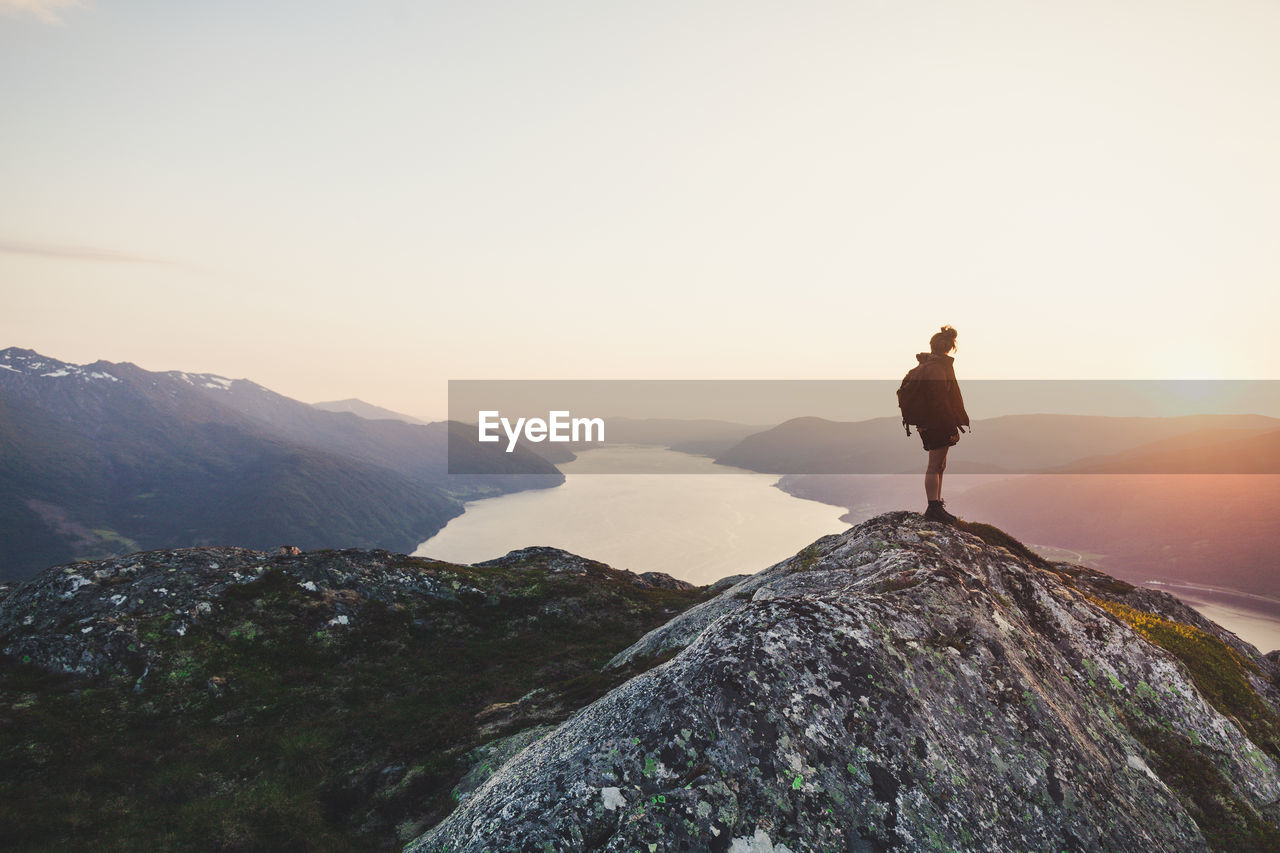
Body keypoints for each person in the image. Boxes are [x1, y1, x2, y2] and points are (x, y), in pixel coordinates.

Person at [913, 325, 970, 523]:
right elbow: (940, 402)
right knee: (934, 466)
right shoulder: (938, 368)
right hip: (937, 423)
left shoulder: (927, 366)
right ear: (949, 347)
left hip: (929, 422)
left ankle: (936, 504)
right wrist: (952, 427)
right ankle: (933, 507)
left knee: (940, 465)